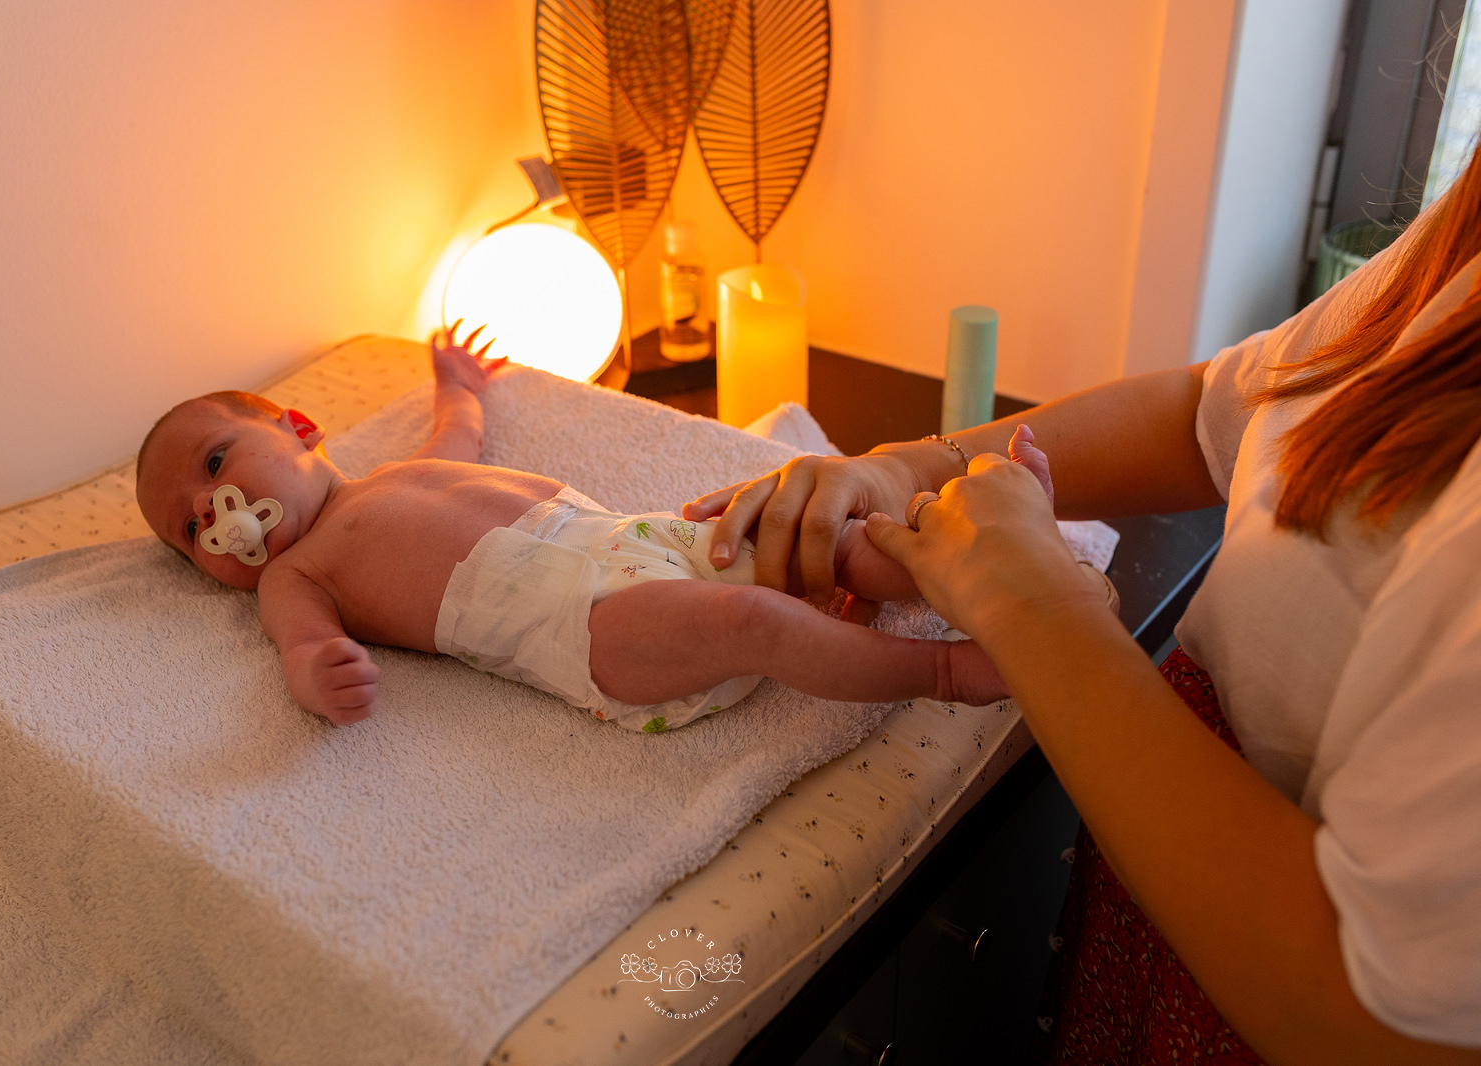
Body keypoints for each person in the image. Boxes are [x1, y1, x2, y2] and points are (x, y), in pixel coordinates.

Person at [684, 158, 1481, 1062]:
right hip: (1175, 901)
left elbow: (1373, 1014)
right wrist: (910, 467)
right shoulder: (1461, 240)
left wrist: (1032, 602)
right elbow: (1216, 411)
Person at [134, 328, 1110, 732]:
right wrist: (316, 676)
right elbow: (304, 644)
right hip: (583, 632)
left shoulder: (395, 472)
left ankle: (976, 555)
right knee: (750, 625)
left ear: (292, 428)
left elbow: (460, 435)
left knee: (802, 529)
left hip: (632, 538)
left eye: (217, 464)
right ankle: (941, 673)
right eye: (189, 529)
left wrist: (455, 386)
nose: (217, 516)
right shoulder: (291, 576)